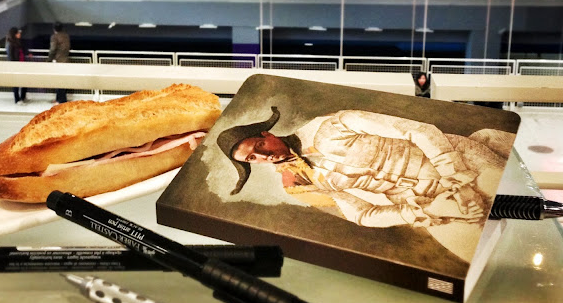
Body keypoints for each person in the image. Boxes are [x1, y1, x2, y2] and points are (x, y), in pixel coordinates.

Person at [219, 106, 511, 247]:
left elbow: (421, 131)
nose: (263, 156)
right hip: (429, 205)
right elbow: (363, 215)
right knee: (479, 252)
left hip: (459, 162)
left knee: (511, 201)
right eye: (252, 158)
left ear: (266, 133)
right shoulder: (296, 185)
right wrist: (426, 209)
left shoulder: (334, 124)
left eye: (260, 146)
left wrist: (459, 180)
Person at [48, 22, 70, 104]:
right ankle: (60, 99)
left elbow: (52, 49)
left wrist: (49, 59)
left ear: (54, 29)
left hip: (58, 61)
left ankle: (60, 100)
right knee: (63, 81)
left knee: (58, 81)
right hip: (66, 60)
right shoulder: (66, 36)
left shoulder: (54, 37)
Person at [6, 27, 28, 105]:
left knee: (24, 81)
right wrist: (14, 66)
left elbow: (24, 50)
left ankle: (22, 97)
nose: (19, 34)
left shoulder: (18, 42)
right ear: (14, 34)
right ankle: (17, 99)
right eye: (18, 33)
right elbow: (11, 56)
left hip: (22, 65)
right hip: (15, 66)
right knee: (16, 83)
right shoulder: (10, 44)